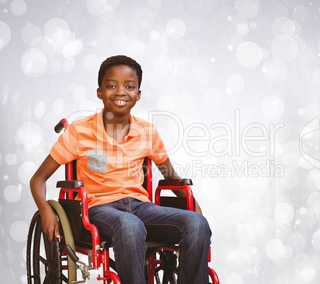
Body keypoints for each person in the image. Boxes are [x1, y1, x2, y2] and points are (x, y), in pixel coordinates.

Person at [30, 55, 212, 283]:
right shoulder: (79, 132)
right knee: (129, 224)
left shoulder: (147, 132)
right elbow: (38, 178)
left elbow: (170, 176)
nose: (120, 92)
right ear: (99, 92)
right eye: (111, 86)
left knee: (196, 223)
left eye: (129, 86)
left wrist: (194, 209)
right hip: (97, 210)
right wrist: (46, 210)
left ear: (138, 94)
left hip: (141, 207)